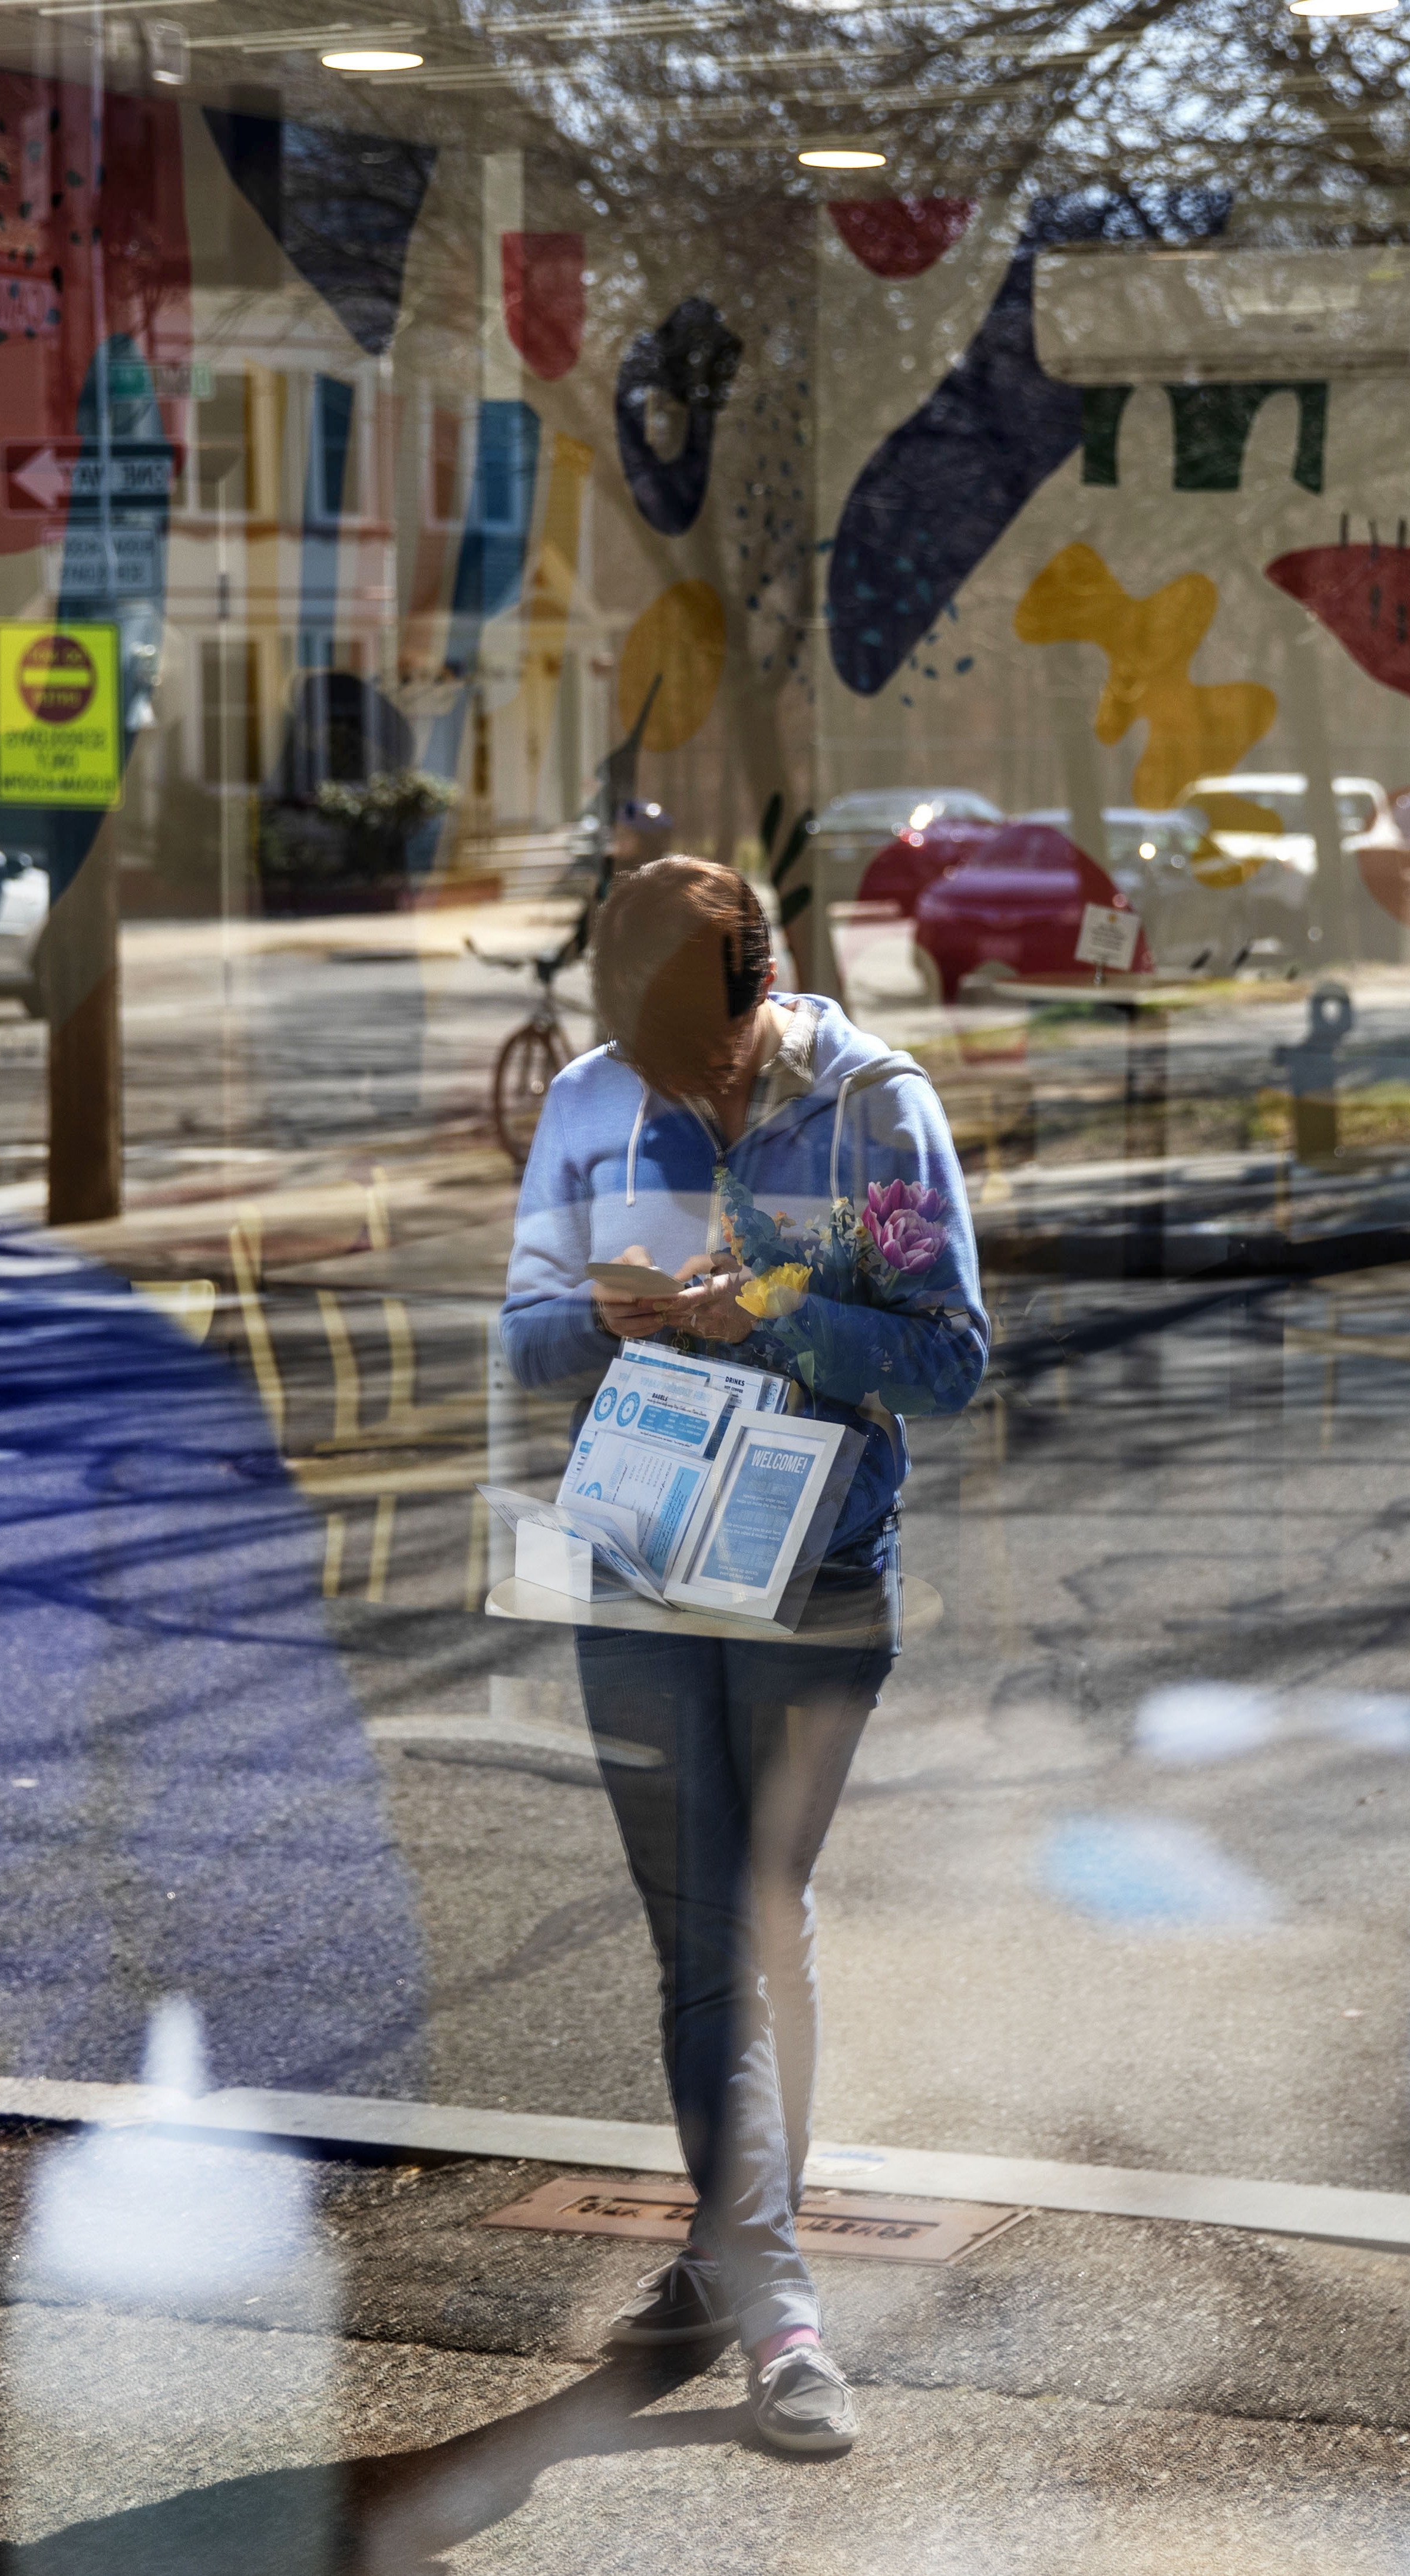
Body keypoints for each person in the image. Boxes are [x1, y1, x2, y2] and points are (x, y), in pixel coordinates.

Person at [498, 857, 987, 2456]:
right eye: (644, 1060)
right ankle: (756, 2286)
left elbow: (950, 1351)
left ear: (754, 998)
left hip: (815, 1576)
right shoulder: (588, 1102)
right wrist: (615, 1318)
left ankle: (753, 2287)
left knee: (751, 1923)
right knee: (707, 1935)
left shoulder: (872, 1109)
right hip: (632, 1558)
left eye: (694, 1055)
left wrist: (768, 1311)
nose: (673, 1089)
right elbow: (520, 1335)